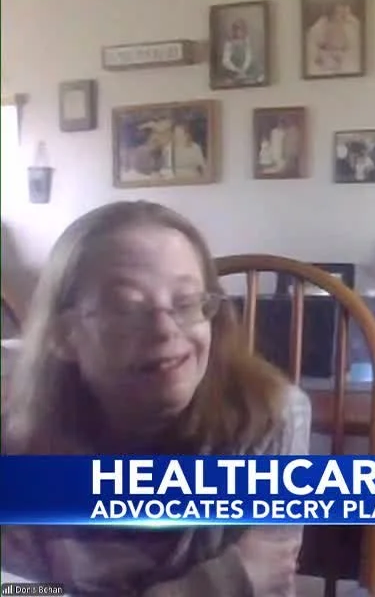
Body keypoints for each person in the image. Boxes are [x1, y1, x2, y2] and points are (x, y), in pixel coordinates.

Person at [0, 200, 311, 595]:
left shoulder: (272, 416)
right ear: (64, 336)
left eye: (185, 304)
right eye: (128, 309)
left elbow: (268, 585)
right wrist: (212, 584)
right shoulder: (19, 444)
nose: (165, 329)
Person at [306, 0, 362, 76]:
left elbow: (355, 50)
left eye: (345, 8)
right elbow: (313, 54)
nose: (344, 12)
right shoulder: (319, 27)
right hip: (326, 60)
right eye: (338, 12)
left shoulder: (352, 26)